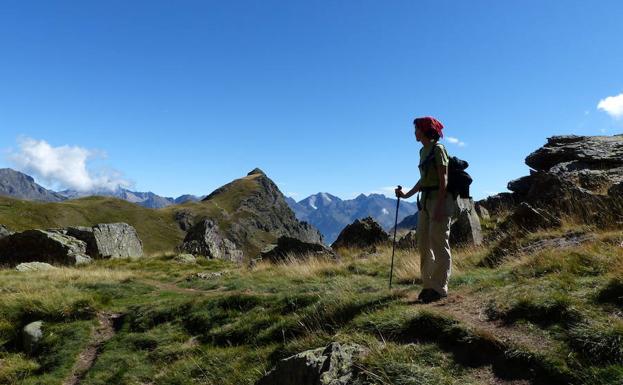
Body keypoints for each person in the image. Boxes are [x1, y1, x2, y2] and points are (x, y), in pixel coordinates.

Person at [395, 116, 456, 303]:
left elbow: (443, 180)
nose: (415, 133)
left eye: (416, 129)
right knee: (423, 244)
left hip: (439, 201)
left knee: (439, 243)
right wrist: (406, 195)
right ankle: (428, 285)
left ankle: (439, 288)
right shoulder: (423, 151)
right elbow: (424, 180)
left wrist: (438, 206)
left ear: (424, 130)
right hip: (425, 202)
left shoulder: (438, 149)